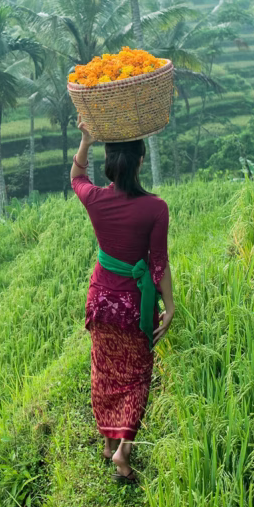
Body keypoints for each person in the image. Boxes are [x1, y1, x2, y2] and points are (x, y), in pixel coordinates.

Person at [70, 120, 174, 485]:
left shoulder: (96, 200)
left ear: (111, 164)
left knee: (105, 371)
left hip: (101, 302)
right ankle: (122, 453)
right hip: (134, 306)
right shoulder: (155, 208)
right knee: (137, 376)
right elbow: (157, 262)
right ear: (141, 161)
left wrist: (85, 140)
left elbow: (77, 176)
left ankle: (106, 440)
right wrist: (171, 307)